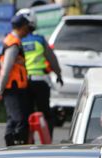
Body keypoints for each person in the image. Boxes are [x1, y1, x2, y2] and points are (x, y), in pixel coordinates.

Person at [17, 8, 63, 139]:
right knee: (46, 114)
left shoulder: (16, 41)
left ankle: (27, 142)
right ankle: (47, 141)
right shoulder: (39, 40)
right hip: (41, 81)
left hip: (24, 83)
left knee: (26, 114)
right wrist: (58, 74)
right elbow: (52, 59)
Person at [0, 12, 31, 146]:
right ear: (21, 27)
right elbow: (6, 69)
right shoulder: (13, 44)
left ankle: (10, 145)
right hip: (12, 87)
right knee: (19, 119)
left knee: (12, 119)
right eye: (27, 26)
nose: (28, 30)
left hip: (14, 87)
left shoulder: (11, 41)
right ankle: (16, 146)